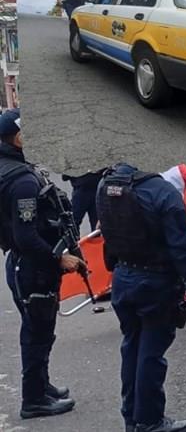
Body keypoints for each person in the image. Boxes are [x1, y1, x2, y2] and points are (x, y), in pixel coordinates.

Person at [96, 163, 186, 432]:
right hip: (156, 282)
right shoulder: (163, 192)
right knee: (151, 354)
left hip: (124, 278)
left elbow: (105, 232)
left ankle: (132, 416)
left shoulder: (107, 185)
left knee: (132, 348)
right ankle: (149, 420)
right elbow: (183, 246)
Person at [0, 108, 82, 419]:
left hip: (24, 266)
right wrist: (59, 257)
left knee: (41, 331)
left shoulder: (10, 168)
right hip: (32, 268)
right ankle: (33, 400)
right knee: (36, 333)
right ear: (19, 139)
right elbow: (26, 236)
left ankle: (41, 386)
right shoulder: (21, 181)